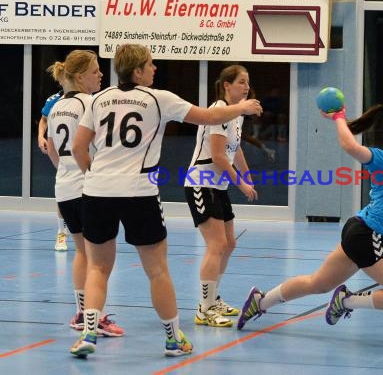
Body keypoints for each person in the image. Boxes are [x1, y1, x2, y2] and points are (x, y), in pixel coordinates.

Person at [69, 44, 262, 357]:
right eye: (150, 64)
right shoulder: (159, 98)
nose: (155, 68)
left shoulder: (97, 100)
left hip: (97, 193)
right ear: (138, 70)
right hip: (139, 193)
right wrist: (242, 108)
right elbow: (209, 115)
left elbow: (79, 148)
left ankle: (89, 333)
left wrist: (95, 176)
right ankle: (173, 339)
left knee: (98, 268)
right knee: (157, 270)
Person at [237, 104, 383, 330]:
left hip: (360, 232)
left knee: (318, 283)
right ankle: (345, 301)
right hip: (368, 235)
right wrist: (339, 118)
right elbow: (349, 145)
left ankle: (261, 301)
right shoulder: (380, 158)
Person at [45, 50, 124, 338]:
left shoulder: (54, 108)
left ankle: (81, 312)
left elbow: (52, 150)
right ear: (79, 77)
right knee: (100, 260)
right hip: (90, 189)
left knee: (82, 253)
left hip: (64, 188)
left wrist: (66, 171)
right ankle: (95, 318)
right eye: (95, 71)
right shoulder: (90, 103)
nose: (101, 75)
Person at [184, 64, 258, 328]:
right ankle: (204, 309)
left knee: (229, 244)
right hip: (201, 183)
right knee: (216, 246)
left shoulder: (236, 115)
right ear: (226, 85)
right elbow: (217, 156)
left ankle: (213, 299)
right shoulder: (218, 111)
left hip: (217, 186)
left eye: (248, 82)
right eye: (241, 82)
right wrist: (240, 184)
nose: (246, 86)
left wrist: (247, 174)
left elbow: (234, 150)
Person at [37, 84, 69, 251]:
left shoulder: (88, 98)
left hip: (84, 151)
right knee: (62, 191)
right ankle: (61, 232)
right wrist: (40, 136)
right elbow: (43, 120)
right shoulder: (54, 100)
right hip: (61, 151)